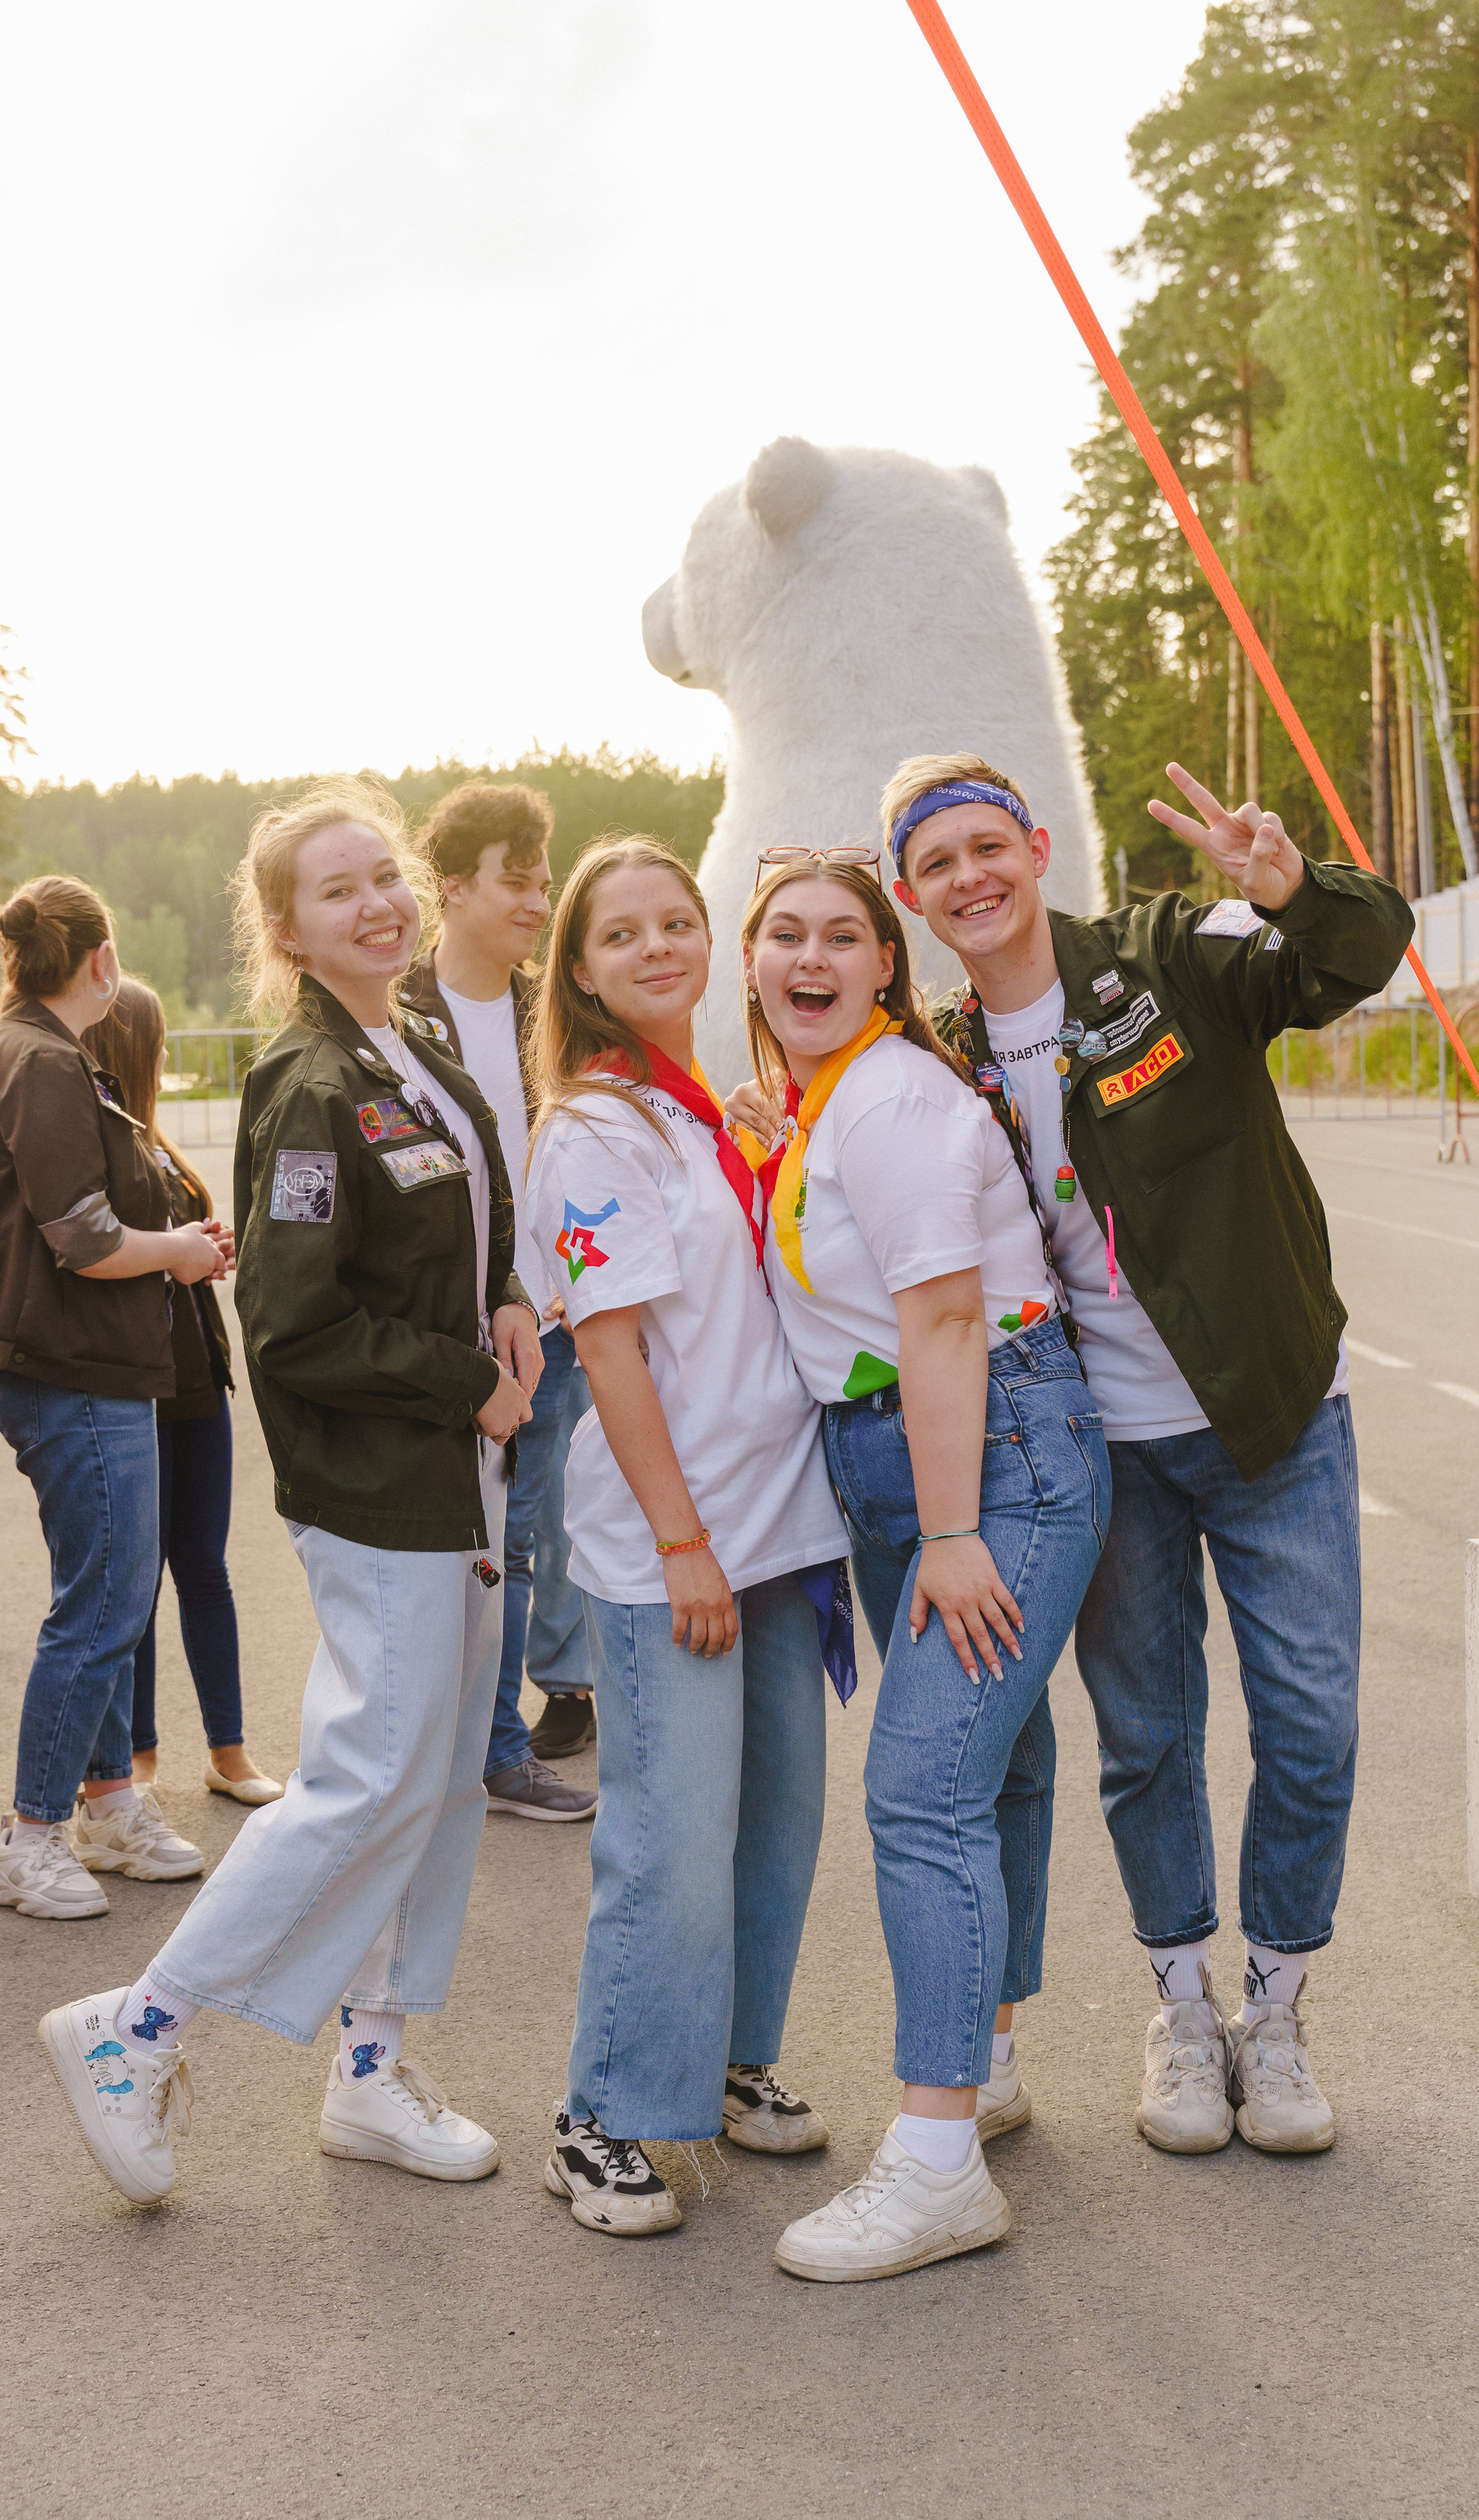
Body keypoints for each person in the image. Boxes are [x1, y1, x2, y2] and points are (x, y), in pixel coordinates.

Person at [883, 749, 1414, 2157]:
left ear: (1035, 847)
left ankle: (1276, 2010)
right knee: (1145, 1741)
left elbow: (1358, 953)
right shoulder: (934, 1055)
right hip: (1095, 1451)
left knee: (1310, 1728)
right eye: (935, 864)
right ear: (910, 894)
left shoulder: (1166, 954)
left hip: (1275, 1414)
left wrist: (1290, 888)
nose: (968, 879)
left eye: (985, 847)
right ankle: (1180, 2012)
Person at [38, 781, 542, 2208]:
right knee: (363, 1778)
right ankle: (138, 2030)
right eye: (337, 891)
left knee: (436, 1782)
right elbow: (298, 1323)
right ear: (287, 931)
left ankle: (373, 2068)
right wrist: (466, 1380)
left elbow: (457, 1233)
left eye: (383, 874)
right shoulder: (310, 1084)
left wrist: (501, 1299)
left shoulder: (417, 1043)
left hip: (457, 1469)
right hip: (382, 1483)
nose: (377, 901)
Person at [731, 852, 1109, 2284]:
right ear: (753, 962)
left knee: (920, 1791)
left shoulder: (890, 1101)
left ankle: (939, 2159)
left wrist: (951, 1533)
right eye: (784, 936)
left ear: (885, 966)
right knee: (995, 1769)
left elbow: (946, 1323)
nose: (812, 956)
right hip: (908, 1453)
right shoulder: (835, 1101)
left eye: (842, 935)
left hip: (986, 1450)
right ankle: (989, 2055)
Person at [525, 835, 849, 2239]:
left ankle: (720, 2062)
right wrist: (679, 1545)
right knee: (666, 1836)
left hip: (779, 1528)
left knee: (773, 1829)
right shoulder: (589, 1130)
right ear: (583, 974)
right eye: (623, 935)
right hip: (680, 1546)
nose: (660, 948)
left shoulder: (702, 1112)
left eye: (679, 922)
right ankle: (597, 2114)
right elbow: (608, 1356)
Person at [0, 878, 227, 1922]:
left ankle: (102, 1803)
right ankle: (36, 1832)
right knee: (104, 1603)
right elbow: (85, 1238)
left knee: (102, 1596)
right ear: (101, 960)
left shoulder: (45, 1053)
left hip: (75, 1362)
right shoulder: (43, 1061)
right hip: (78, 1366)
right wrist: (178, 1253)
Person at [406, 780, 595, 1819]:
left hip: (553, 1327)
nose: (538, 901)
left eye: (544, 882)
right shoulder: (392, 1017)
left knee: (518, 1547)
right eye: (517, 883)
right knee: (441, 1552)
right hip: (444, 1338)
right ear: (453, 889)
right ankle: (442, 1745)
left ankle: (499, 1747)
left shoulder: (555, 1009)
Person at [84, 977, 281, 1806]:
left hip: (199, 1381)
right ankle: (137, 1760)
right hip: (138, 1387)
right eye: (160, 1040)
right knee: (135, 1581)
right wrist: (177, 1250)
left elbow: (166, 1250)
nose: (168, 1053)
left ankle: (228, 1751)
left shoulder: (154, 1141)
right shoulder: (100, 1142)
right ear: (133, 1046)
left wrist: (201, 1248)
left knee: (203, 1566)